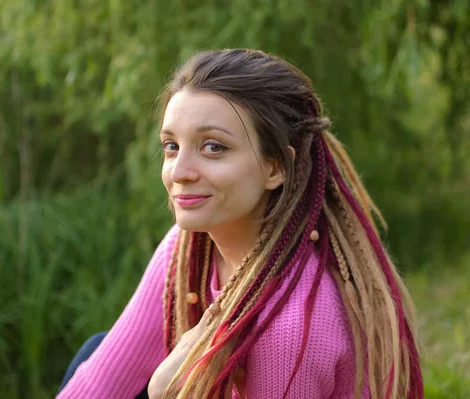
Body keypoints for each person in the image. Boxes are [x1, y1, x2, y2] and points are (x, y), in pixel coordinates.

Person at [56, 49, 423, 399]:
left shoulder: (291, 325)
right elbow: (97, 384)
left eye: (213, 147)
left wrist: (163, 391)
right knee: (98, 347)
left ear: (275, 168)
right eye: (171, 146)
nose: (179, 172)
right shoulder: (183, 248)